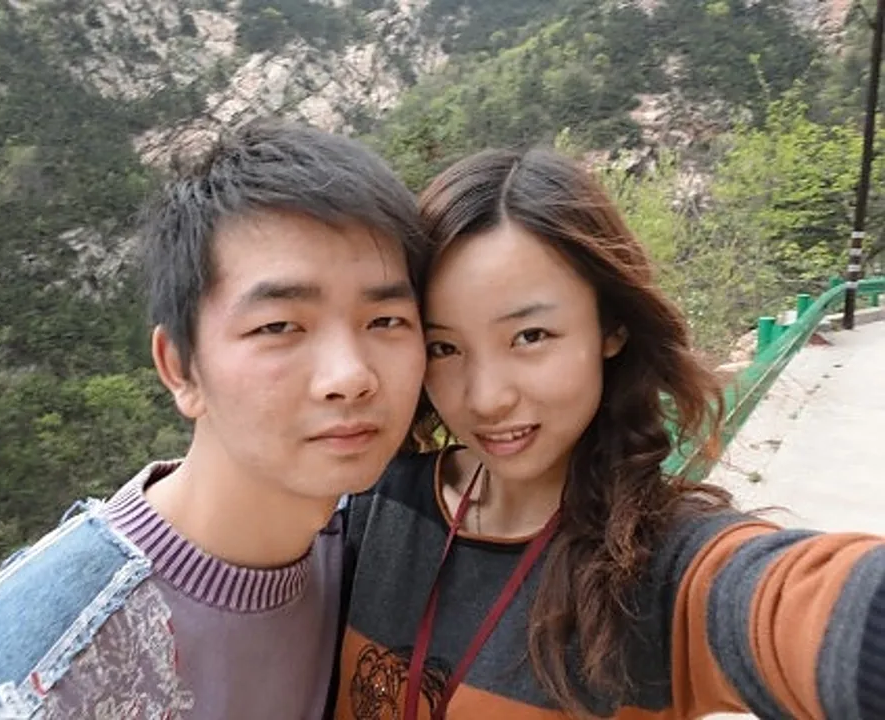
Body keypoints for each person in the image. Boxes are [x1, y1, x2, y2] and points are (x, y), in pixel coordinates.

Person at [334, 147, 885, 719]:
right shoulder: (376, 506)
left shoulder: (658, 566)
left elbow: (794, 605)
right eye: (445, 347)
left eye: (530, 336)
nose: (486, 398)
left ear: (611, 327)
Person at [0, 121, 429, 719]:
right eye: (278, 326)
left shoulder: (367, 543)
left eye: (385, 321)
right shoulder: (24, 681)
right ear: (180, 369)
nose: (350, 375)